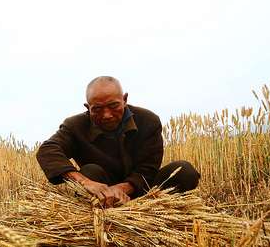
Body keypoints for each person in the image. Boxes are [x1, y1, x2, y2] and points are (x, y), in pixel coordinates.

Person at [36, 76, 200, 207]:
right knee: (90, 170)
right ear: (88, 108)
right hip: (100, 196)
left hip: (146, 191)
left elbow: (147, 170)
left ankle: (152, 213)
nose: (107, 115)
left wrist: (121, 189)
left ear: (125, 99)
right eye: (97, 109)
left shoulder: (148, 121)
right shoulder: (75, 126)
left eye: (114, 105)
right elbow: (48, 150)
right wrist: (85, 182)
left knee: (184, 170)